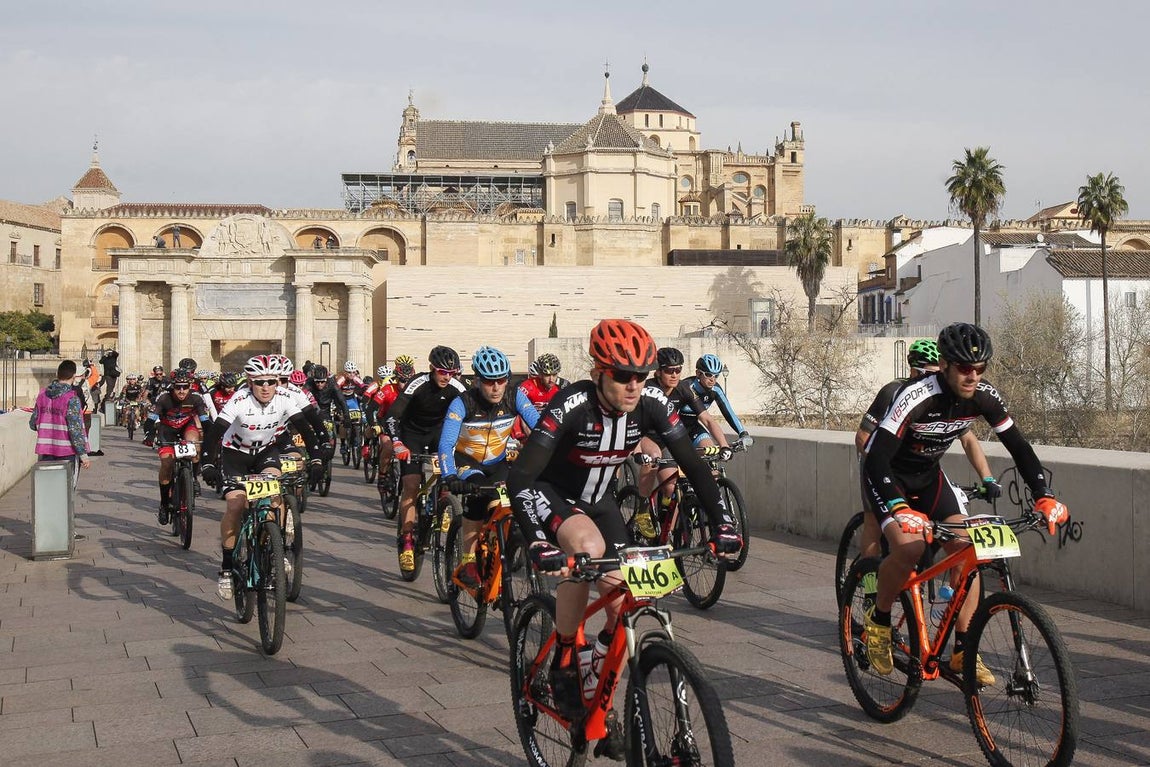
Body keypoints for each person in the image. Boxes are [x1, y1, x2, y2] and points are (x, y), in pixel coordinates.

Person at [507, 319, 741, 724]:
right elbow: (521, 478)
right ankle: (564, 655)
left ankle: (594, 671)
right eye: (622, 376)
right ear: (598, 373)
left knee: (622, 602)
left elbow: (694, 466)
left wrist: (722, 522)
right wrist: (535, 541)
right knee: (587, 551)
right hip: (554, 494)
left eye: (641, 376)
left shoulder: (651, 404)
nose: (634, 385)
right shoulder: (570, 405)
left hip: (600, 501)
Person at [863, 323, 1070, 686]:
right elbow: (875, 456)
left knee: (966, 547)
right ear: (944, 365)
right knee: (910, 548)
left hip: (928, 478)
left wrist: (1044, 494)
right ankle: (878, 620)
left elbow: (1019, 447)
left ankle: (963, 649)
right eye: (963, 368)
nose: (972, 376)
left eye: (980, 368)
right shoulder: (915, 395)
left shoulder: (984, 396)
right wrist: (898, 507)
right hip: (889, 476)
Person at [853, 339, 998, 562]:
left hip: (919, 468)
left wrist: (987, 477)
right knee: (872, 521)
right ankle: (871, 584)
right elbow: (862, 437)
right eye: (927, 372)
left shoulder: (944, 395)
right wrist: (885, 477)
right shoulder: (892, 391)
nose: (934, 378)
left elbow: (968, 440)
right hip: (882, 461)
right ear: (913, 370)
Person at [200, 355, 326, 600]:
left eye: (271, 381)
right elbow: (215, 433)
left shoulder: (284, 399)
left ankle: (274, 551)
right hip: (235, 455)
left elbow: (306, 430)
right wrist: (206, 462)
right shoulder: (239, 400)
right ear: (250, 382)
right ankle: (226, 567)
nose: (266, 387)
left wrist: (318, 458)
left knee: (274, 497)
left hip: (265, 453)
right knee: (236, 505)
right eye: (260, 383)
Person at [438, 346, 539, 587]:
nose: (495, 387)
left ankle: (504, 546)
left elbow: (541, 427)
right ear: (477, 381)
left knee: (510, 500)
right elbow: (446, 443)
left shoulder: (514, 396)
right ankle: (469, 561)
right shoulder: (462, 403)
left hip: (498, 462)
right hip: (467, 462)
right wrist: (450, 475)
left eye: (501, 380)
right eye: (489, 381)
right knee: (478, 497)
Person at [632, 346, 733, 540]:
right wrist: (637, 450)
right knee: (652, 458)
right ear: (658, 371)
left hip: (669, 438)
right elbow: (630, 420)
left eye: (678, 370)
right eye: (669, 370)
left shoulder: (684, 389)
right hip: (645, 435)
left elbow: (707, 420)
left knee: (672, 488)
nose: (675, 374)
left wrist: (724, 445)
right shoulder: (646, 389)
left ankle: (667, 531)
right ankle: (643, 510)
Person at [383, 345, 467, 572]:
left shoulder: (457, 386)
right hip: (412, 434)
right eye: (442, 372)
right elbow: (392, 416)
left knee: (448, 475)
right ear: (431, 368)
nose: (446, 377)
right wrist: (398, 443)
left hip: (439, 433)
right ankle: (408, 539)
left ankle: (443, 503)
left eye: (451, 373)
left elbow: (472, 414)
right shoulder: (417, 383)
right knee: (411, 485)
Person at [143, 368, 213, 525]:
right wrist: (149, 435)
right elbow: (149, 421)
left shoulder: (196, 398)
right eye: (178, 387)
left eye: (185, 387)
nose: (181, 390)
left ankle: (193, 478)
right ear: (172, 387)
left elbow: (205, 421)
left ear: (190, 386)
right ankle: (163, 504)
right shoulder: (164, 398)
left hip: (186, 427)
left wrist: (211, 437)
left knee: (195, 448)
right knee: (167, 464)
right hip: (167, 430)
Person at [30, 360, 91, 482]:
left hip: (46, 450)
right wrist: (83, 455)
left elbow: (33, 423)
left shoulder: (42, 395)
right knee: (65, 491)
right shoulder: (72, 399)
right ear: (74, 376)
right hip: (66, 451)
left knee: (48, 489)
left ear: (58, 374)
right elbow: (75, 430)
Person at [678, 354, 753, 449]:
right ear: (698, 373)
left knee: (710, 450)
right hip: (675, 427)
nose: (712, 379)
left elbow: (728, 413)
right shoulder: (685, 387)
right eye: (708, 374)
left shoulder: (716, 389)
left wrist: (742, 433)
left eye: (716, 375)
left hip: (693, 427)